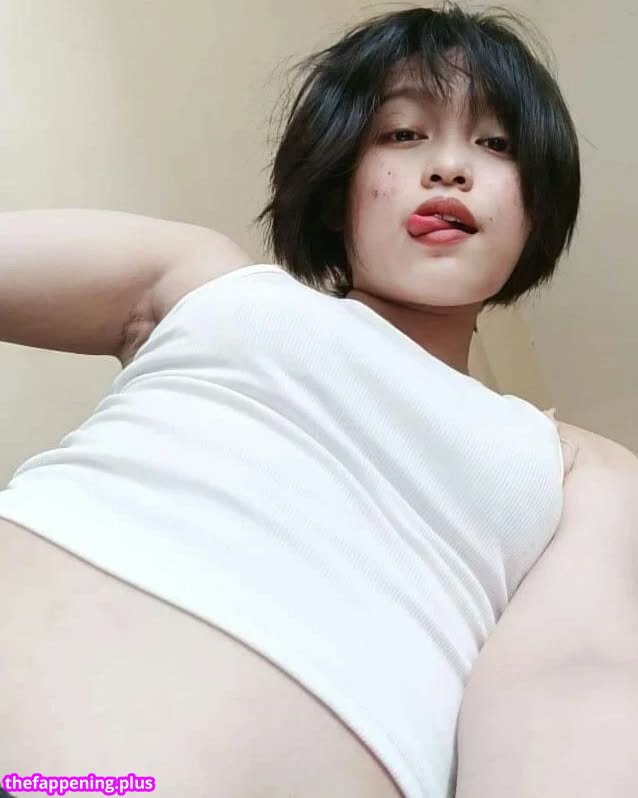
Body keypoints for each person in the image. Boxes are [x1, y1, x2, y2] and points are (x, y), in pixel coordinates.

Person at [0, 5, 636, 798]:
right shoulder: (205, 279)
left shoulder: (581, 467)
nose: (449, 167)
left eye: (496, 144)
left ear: (537, 205)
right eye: (402, 133)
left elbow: (574, 681)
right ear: (339, 187)